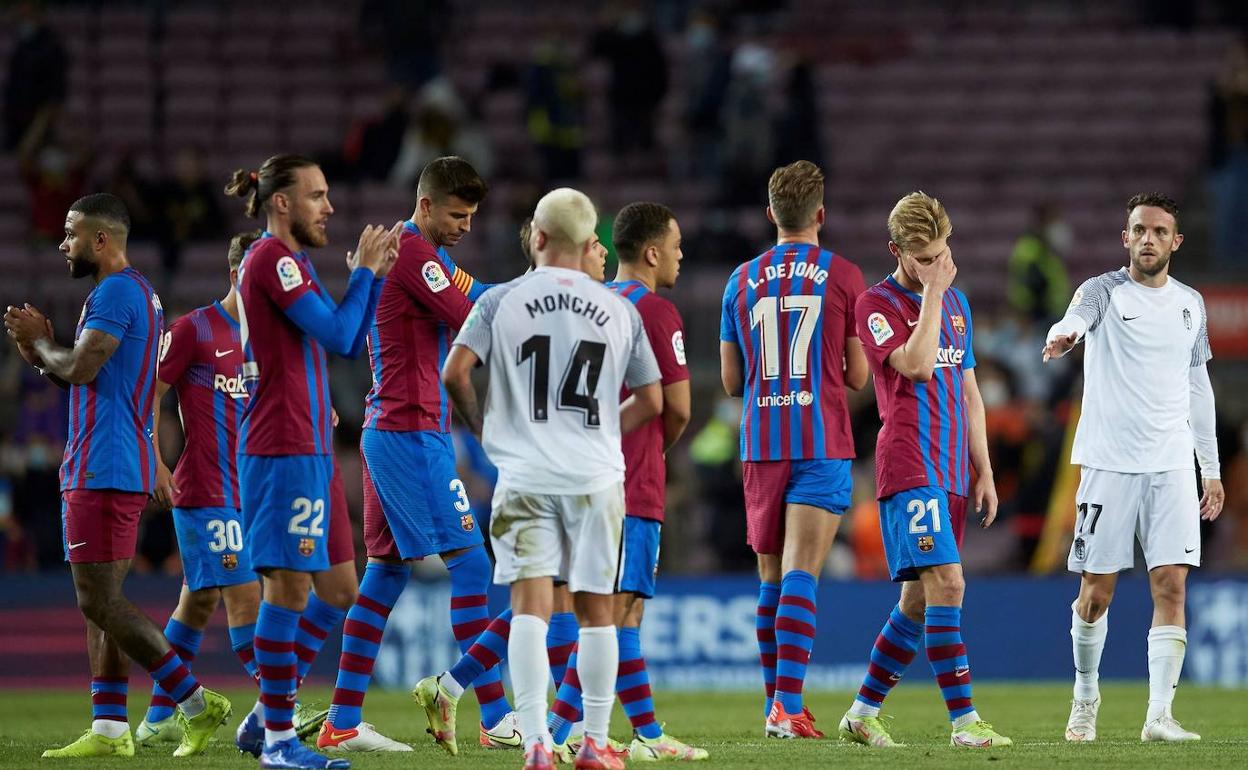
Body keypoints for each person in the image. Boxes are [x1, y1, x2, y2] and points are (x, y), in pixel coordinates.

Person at [4, 193, 231, 759]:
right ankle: (109, 725)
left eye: (70, 233)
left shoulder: (113, 293)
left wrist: (36, 347)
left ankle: (197, 704)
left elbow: (78, 366)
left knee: (98, 600)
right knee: (104, 599)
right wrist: (45, 353)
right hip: (112, 461)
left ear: (100, 239)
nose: (63, 243)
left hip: (102, 464)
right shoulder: (137, 294)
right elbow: (87, 377)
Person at [442, 187, 662, 770]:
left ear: (537, 238)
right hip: (595, 475)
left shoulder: (500, 301)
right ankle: (592, 741)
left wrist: (490, 436)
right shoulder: (620, 309)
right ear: (594, 243)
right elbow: (653, 399)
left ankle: (536, 742)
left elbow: (456, 373)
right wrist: (605, 434)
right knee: (596, 612)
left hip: (526, 472)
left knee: (531, 608)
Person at [317, 156, 514, 755]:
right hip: (409, 433)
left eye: (472, 217)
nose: (464, 227)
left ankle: (342, 720)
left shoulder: (433, 258)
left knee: (384, 576)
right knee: (473, 567)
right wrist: (548, 294)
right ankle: (494, 715)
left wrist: (541, 286)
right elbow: (471, 316)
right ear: (425, 205)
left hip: (399, 431)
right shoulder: (410, 252)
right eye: (456, 215)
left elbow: (477, 292)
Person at [224, 154, 397, 770]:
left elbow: (340, 333)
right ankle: (277, 741)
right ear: (281, 203)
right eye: (317, 196)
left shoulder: (292, 263)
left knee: (339, 588)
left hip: (312, 448)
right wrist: (367, 275)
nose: (329, 207)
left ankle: (261, 719)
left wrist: (361, 281)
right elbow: (345, 338)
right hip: (282, 446)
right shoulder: (270, 259)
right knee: (290, 588)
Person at [1042, 192, 1224, 743]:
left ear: (1175, 241)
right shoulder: (1102, 291)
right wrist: (1064, 333)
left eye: (1159, 231)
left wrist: (1209, 469)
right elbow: (1075, 318)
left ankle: (1159, 716)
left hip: (1171, 466)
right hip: (1109, 463)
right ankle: (1085, 700)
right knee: (1096, 593)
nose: (1148, 239)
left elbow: (1199, 389)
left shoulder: (1191, 304)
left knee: (1171, 585)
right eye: (1139, 230)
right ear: (1126, 237)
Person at [838, 191, 1010, 749]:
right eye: (927, 257)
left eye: (944, 252)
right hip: (909, 464)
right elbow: (914, 366)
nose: (941, 264)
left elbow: (969, 391)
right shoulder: (875, 305)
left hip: (954, 469)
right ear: (897, 251)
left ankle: (862, 713)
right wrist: (934, 293)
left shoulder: (957, 303)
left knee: (918, 600)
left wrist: (983, 469)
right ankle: (964, 723)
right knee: (949, 582)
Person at [544, 202, 706, 761]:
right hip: (631, 481)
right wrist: (651, 450)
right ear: (653, 251)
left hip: (578, 473)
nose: (682, 256)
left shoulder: (587, 305)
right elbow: (678, 409)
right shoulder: (656, 314)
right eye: (677, 245)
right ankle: (557, 731)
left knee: (620, 611)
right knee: (611, 613)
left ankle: (648, 736)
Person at [718, 160, 868, 738]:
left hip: (762, 442)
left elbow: (732, 382)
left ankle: (775, 706)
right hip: (821, 439)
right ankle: (788, 706)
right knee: (805, 572)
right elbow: (857, 375)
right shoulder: (845, 276)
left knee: (771, 579)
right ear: (821, 215)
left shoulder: (740, 278)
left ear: (770, 215)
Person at [133, 231, 263, 748]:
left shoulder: (268, 341)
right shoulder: (194, 329)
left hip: (252, 492)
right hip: (205, 489)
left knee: (198, 601)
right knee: (244, 599)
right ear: (236, 276)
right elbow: (150, 397)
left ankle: (159, 717)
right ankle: (284, 703)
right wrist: (156, 463)